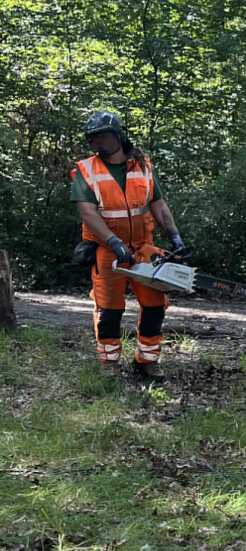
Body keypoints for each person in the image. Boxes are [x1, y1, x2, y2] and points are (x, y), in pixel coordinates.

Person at [70, 111, 188, 380]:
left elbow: (157, 203)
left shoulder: (142, 165)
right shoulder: (86, 170)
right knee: (109, 308)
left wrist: (175, 237)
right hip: (106, 250)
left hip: (143, 248)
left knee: (155, 304)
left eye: (103, 135)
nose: (99, 142)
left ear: (118, 135)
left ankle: (146, 360)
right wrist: (113, 241)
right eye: (94, 138)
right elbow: (88, 212)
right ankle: (109, 363)